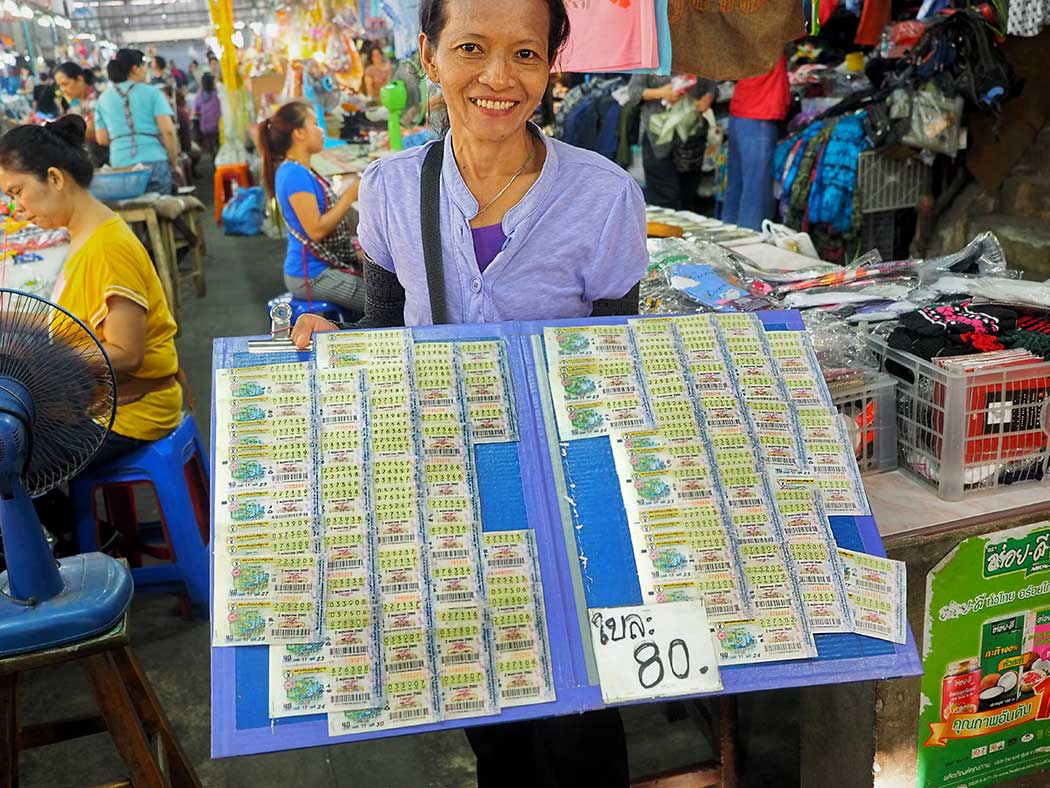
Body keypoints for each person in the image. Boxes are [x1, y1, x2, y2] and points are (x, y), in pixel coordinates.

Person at [290, 2, 644, 783]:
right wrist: (332, 350)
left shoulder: (605, 195)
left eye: (525, 53)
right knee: (491, 708)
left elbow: (618, 360)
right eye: (471, 49)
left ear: (554, 61)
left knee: (581, 718)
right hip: (449, 491)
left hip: (567, 499)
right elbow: (386, 333)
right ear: (429, 55)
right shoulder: (387, 190)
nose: (497, 78)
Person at [0, 115, 182, 465]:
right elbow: (70, 324)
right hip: (107, 401)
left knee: (11, 458)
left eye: (17, 192)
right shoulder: (86, 236)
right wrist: (10, 318)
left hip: (134, 414)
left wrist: (36, 363)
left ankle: (62, 518)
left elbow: (128, 354)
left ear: (54, 178)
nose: (16, 208)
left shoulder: (106, 247)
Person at [258, 101, 366, 318]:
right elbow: (315, 230)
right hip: (311, 275)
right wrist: (349, 196)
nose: (321, 131)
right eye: (315, 125)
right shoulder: (295, 175)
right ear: (299, 133)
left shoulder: (301, 170)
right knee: (383, 299)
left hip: (318, 268)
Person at [95, 48, 179, 195]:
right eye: (144, 67)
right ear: (135, 69)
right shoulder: (153, 93)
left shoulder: (103, 99)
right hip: (154, 162)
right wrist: (174, 163)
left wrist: (123, 141)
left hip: (121, 167)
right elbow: (168, 131)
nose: (146, 71)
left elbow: (101, 139)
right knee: (162, 209)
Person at [628, 73, 717, 211]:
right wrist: (661, 93)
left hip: (691, 141)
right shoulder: (653, 58)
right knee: (664, 200)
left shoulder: (699, 57)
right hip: (657, 140)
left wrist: (708, 98)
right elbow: (634, 92)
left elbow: (712, 87)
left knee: (687, 198)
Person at [722, 53, 790, 230]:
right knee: (756, 190)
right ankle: (751, 246)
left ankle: (728, 243)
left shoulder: (747, 29)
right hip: (760, 111)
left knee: (737, 187)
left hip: (743, 109)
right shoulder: (773, 28)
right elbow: (812, 25)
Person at [194, 72, 221, 158]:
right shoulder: (218, 94)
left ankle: (212, 153)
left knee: (209, 141)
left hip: (205, 128)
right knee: (218, 141)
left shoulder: (200, 96)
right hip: (218, 126)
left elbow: (195, 112)